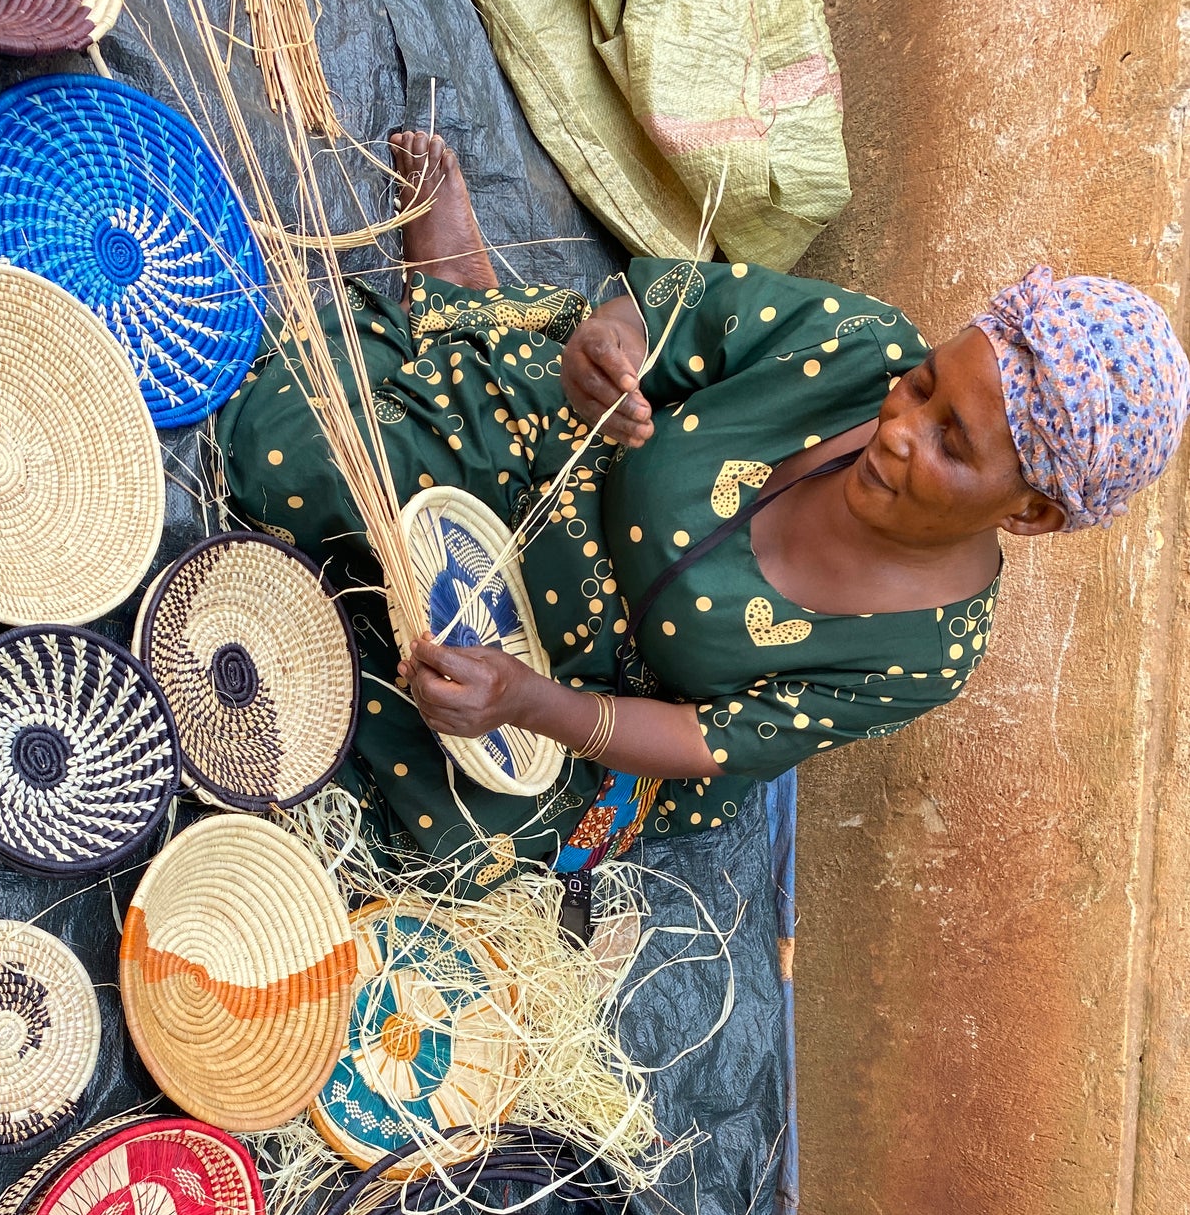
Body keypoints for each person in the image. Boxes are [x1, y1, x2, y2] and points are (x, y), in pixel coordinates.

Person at [217, 132, 1189, 894]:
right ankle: (466, 297)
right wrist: (607, 345)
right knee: (278, 454)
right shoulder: (861, 347)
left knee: (458, 844)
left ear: (1025, 515)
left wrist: (526, 703)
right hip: (552, 465)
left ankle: (460, 329)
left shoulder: (923, 651)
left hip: (594, 689)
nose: (900, 423)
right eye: (926, 386)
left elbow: (703, 742)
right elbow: (677, 311)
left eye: (950, 445)